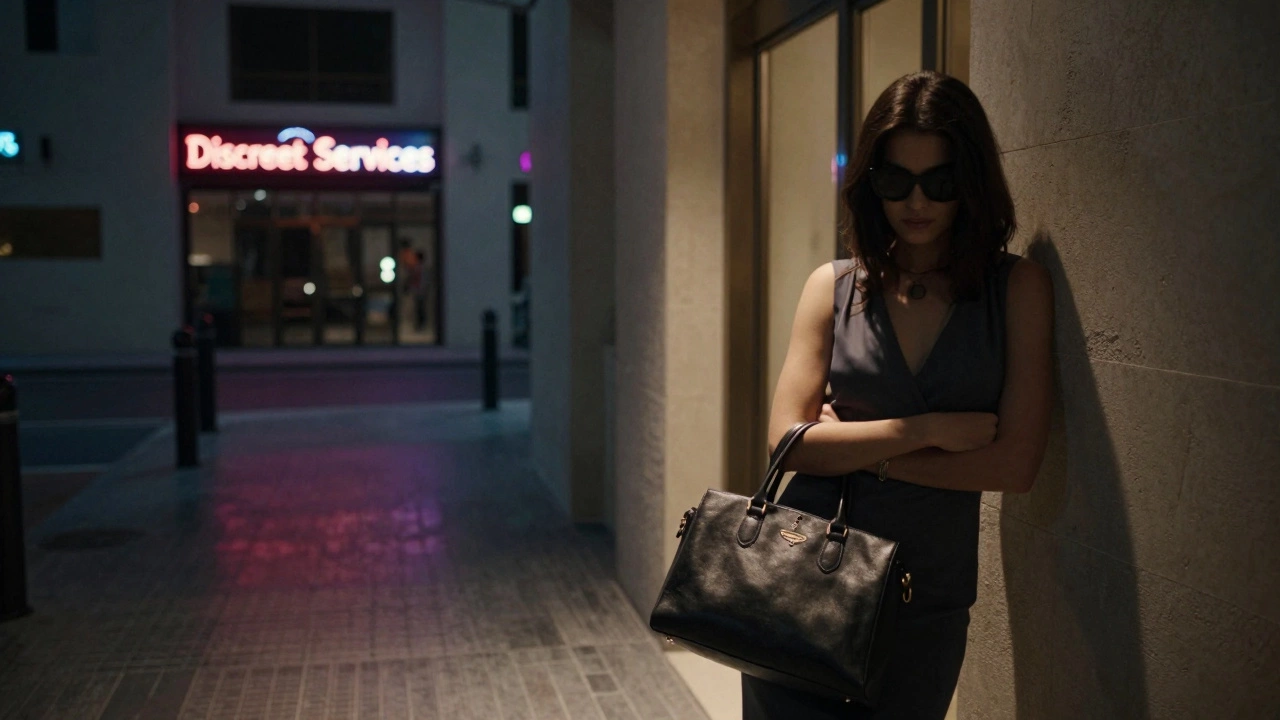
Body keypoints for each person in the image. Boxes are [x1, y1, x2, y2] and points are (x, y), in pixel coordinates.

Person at [743, 71, 1054, 719]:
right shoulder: (832, 287)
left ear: (969, 183)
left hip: (925, 590)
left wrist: (855, 449)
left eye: (938, 181)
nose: (916, 201)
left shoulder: (1016, 289)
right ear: (870, 184)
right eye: (895, 181)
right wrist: (927, 429)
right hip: (803, 581)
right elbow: (787, 442)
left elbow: (1015, 466)